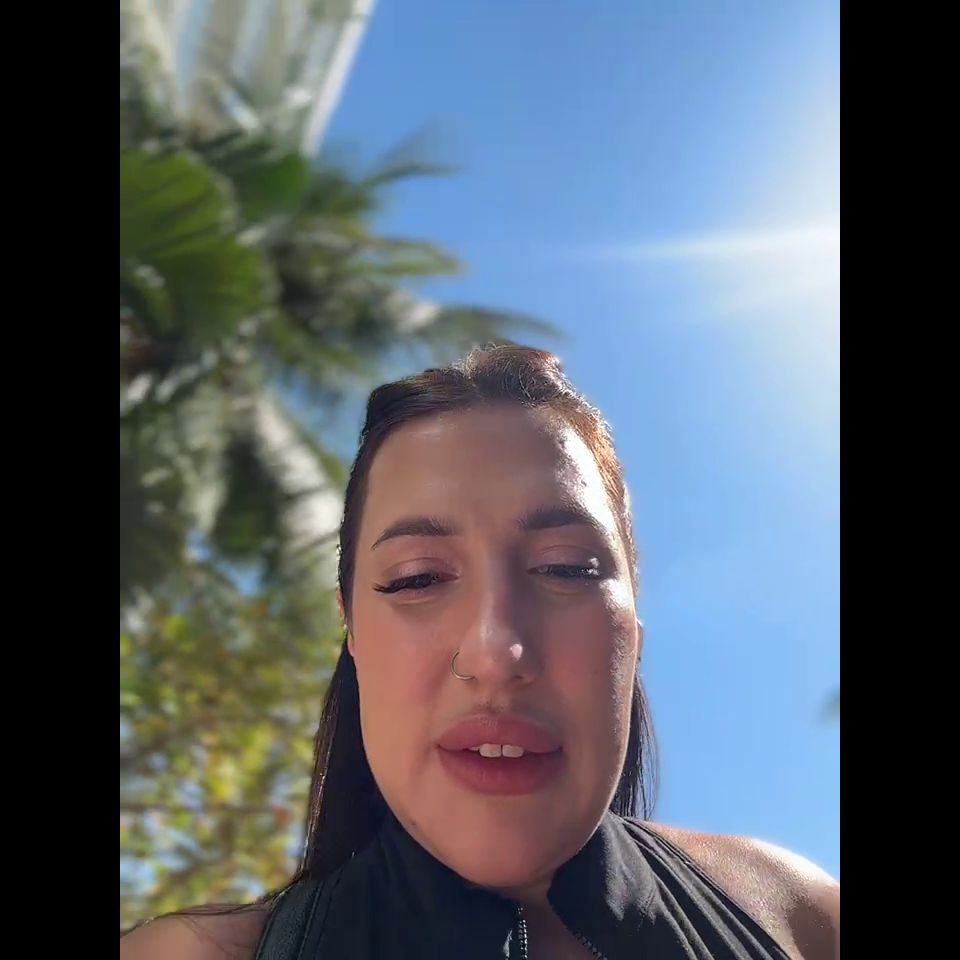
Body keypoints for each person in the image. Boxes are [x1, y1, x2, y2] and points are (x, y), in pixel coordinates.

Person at [121, 345, 839, 960]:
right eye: (417, 578)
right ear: (353, 636)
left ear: (633, 632)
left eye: (566, 568)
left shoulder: (801, 916)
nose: (496, 651)